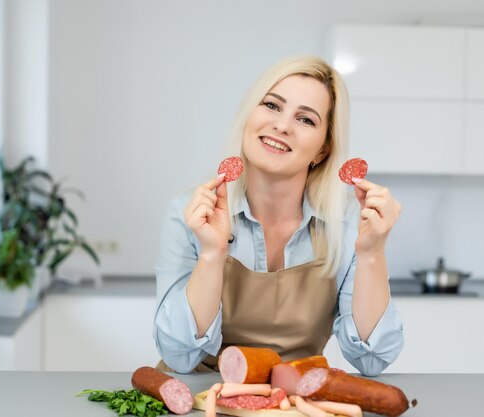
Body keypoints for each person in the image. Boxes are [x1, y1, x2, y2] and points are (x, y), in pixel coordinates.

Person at [153, 56, 403, 377]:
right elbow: (178, 357)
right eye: (272, 106)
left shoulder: (350, 222)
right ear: (249, 116)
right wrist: (212, 253)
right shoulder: (190, 212)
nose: (282, 125)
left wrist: (371, 254)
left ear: (322, 151)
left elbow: (372, 360)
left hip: (296, 402)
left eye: (306, 120)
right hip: (200, 400)